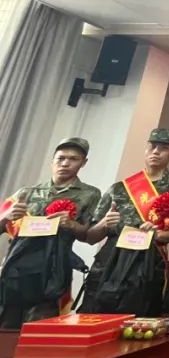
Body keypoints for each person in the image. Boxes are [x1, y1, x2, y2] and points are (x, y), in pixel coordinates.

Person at [83, 128, 169, 314]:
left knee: (139, 320)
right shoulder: (119, 188)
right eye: (152, 146)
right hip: (110, 260)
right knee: (94, 316)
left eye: (164, 147)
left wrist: (158, 234)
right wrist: (104, 223)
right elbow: (90, 237)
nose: (156, 152)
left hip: (149, 262)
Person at [0, 138, 101, 328]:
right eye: (60, 158)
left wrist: (72, 225)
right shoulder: (27, 192)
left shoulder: (90, 194)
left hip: (53, 270)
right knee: (6, 328)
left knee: (40, 328)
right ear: (52, 161)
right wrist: (6, 217)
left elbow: (88, 236)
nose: (65, 163)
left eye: (73, 159)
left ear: (83, 162)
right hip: (16, 269)